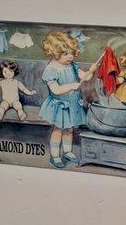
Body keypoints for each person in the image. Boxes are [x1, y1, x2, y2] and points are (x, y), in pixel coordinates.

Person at [37, 30, 95, 169]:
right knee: (58, 130)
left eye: (72, 53)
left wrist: (91, 70)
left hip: (73, 104)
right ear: (54, 52)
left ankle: (68, 151)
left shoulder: (73, 65)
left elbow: (85, 77)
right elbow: (55, 90)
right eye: (65, 54)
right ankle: (55, 156)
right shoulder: (51, 69)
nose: (70, 56)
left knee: (69, 129)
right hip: (60, 105)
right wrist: (70, 86)